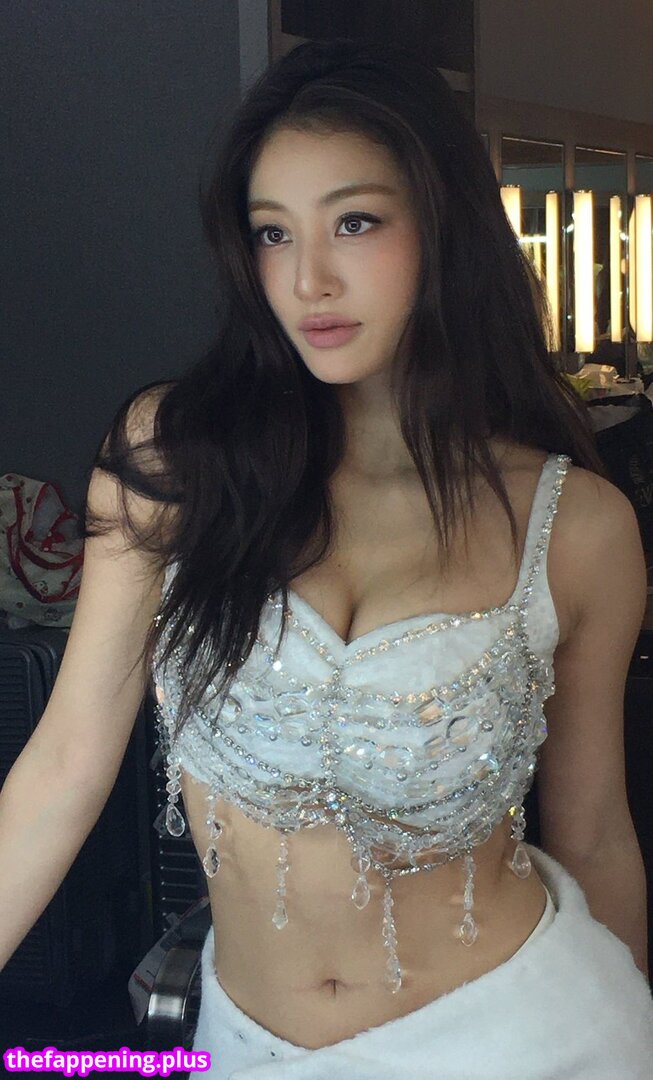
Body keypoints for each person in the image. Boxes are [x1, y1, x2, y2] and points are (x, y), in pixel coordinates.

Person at [2, 36, 653, 1079]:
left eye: (355, 221)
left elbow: (593, 831)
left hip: (523, 1038)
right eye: (273, 232)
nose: (307, 277)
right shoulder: (174, 463)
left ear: (442, 227)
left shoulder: (574, 526)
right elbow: (64, 768)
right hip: (244, 1042)